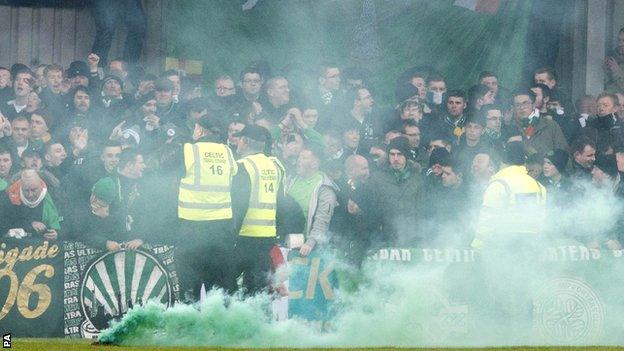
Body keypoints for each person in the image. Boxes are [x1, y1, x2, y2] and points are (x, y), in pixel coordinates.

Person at [177, 114, 238, 300]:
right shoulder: (227, 152)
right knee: (218, 285)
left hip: (193, 227)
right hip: (221, 227)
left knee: (189, 283)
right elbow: (234, 174)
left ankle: (190, 324)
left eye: (194, 128)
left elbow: (168, 174)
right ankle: (217, 324)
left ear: (201, 130)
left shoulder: (189, 150)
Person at [231, 125, 285, 294]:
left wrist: (231, 234)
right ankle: (259, 317)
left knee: (229, 284)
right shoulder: (276, 166)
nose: (237, 143)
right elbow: (281, 202)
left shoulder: (242, 166)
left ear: (245, 141)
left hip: (245, 235)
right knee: (258, 287)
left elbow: (238, 204)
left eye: (239, 139)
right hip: (267, 236)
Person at [472, 141, 547, 250]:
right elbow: (541, 219)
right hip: (532, 247)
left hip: (504, 246)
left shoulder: (499, 184)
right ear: (524, 161)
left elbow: (487, 218)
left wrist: (478, 245)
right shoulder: (538, 186)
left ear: (503, 161)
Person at [0, 169, 62, 240]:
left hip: (45, 246)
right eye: (26, 190)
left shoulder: (54, 195)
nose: (30, 195)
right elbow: (3, 224)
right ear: (21, 186)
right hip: (16, 245)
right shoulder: (9, 196)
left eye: (34, 190)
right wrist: (30, 224)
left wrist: (56, 234)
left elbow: (66, 223)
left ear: (41, 186)